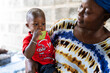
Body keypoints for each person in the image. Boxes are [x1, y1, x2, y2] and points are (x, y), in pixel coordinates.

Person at [48, 0, 110, 73]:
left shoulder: (107, 50)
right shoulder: (62, 27)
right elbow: (38, 44)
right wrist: (31, 61)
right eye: (81, 6)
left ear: (105, 17)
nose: (80, 13)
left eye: (87, 12)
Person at [22, 8, 58, 73]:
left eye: (43, 24)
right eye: (36, 24)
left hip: (50, 63)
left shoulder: (48, 35)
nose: (40, 27)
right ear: (28, 26)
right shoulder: (28, 39)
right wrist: (34, 39)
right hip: (37, 64)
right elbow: (27, 55)